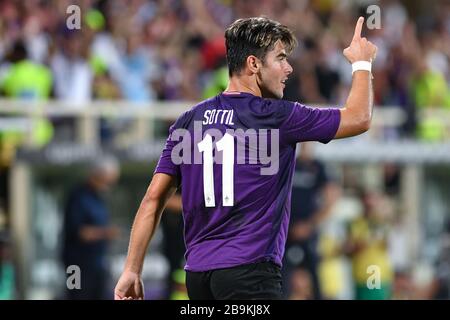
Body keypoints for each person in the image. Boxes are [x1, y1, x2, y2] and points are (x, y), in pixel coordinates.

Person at [114, 16, 377, 300]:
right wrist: (361, 63)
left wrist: (132, 269)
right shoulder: (277, 116)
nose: (288, 68)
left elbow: (153, 199)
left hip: (198, 277)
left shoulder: (188, 121)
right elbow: (359, 118)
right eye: (280, 59)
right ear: (253, 64)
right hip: (250, 273)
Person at [283, 142, 340, 299]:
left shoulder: (318, 167)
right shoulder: (287, 164)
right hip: (286, 232)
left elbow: (331, 199)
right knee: (282, 275)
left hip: (308, 231)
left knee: (314, 275)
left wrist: (310, 225)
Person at [62, 156, 121, 300]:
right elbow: (79, 232)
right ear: (100, 175)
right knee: (76, 296)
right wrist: (106, 233)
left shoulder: (99, 197)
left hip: (97, 264)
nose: (110, 184)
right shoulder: (78, 196)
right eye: (109, 179)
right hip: (76, 264)